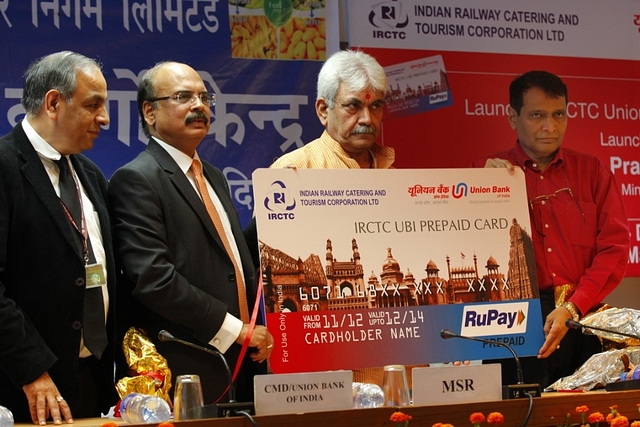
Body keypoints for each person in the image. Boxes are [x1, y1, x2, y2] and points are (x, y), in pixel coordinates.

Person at [108, 61, 273, 405]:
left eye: (204, 97)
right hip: (188, 365)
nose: (199, 106)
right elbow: (154, 279)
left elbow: (228, 264)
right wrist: (234, 330)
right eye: (183, 97)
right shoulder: (137, 178)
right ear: (149, 112)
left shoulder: (212, 175)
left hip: (246, 360)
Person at [472, 70, 629, 388]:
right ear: (512, 117)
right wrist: (480, 189)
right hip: (512, 319)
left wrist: (574, 305)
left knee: (583, 414)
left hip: (581, 316)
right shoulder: (489, 174)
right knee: (518, 413)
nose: (550, 126)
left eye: (558, 114)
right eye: (537, 115)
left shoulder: (591, 171)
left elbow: (614, 248)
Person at [0, 51, 117, 424]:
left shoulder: (90, 174)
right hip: (24, 390)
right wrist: (33, 373)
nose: (105, 118)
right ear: (53, 103)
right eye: (93, 104)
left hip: (91, 381)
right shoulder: (3, 166)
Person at [269, 49, 395, 170]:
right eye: (353, 106)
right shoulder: (294, 171)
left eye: (375, 106)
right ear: (323, 110)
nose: (367, 119)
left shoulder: (395, 178)